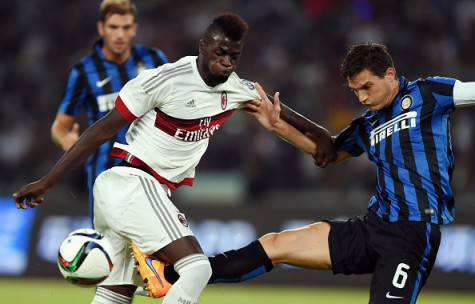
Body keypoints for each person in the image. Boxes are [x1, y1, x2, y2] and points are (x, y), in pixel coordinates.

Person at [13, 13, 334, 304]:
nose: (226, 62)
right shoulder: (163, 80)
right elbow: (99, 131)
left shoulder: (234, 88)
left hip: (130, 192)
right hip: (134, 183)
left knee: (116, 291)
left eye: (233, 56)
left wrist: (320, 135)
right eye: (219, 53)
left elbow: (281, 112)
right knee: (195, 268)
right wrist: (47, 181)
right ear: (203, 46)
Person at [155, 43, 475, 303]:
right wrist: (276, 124)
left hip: (412, 234)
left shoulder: (429, 94)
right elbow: (328, 153)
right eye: (355, 91)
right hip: (372, 228)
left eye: (367, 87)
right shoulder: (369, 123)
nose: (362, 97)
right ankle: (173, 276)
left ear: (390, 74)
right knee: (276, 243)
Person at [51, 0, 168, 223]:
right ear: (101, 28)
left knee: (151, 251)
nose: (120, 35)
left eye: (126, 27)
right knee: (109, 249)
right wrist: (67, 141)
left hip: (151, 172)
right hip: (104, 175)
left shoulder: (154, 60)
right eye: (113, 27)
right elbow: (60, 126)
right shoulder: (85, 72)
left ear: (134, 28)